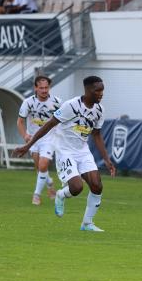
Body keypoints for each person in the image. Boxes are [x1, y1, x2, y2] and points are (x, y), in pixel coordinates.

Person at [14, 76, 116, 232]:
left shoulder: (99, 110)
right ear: (88, 90)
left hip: (82, 151)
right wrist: (28, 145)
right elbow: (49, 125)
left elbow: (96, 134)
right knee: (76, 188)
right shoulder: (71, 106)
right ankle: (61, 195)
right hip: (64, 150)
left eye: (102, 90)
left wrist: (107, 160)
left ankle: (87, 224)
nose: (101, 94)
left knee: (97, 185)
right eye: (98, 90)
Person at [17, 76, 61, 206]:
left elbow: (64, 120)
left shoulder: (57, 102)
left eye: (46, 87)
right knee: (39, 168)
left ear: (49, 87)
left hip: (49, 138)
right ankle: (50, 183)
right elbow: (20, 121)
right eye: (41, 88)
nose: (44, 90)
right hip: (33, 140)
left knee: (43, 165)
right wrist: (25, 135)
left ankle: (36, 195)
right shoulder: (28, 102)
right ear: (35, 88)